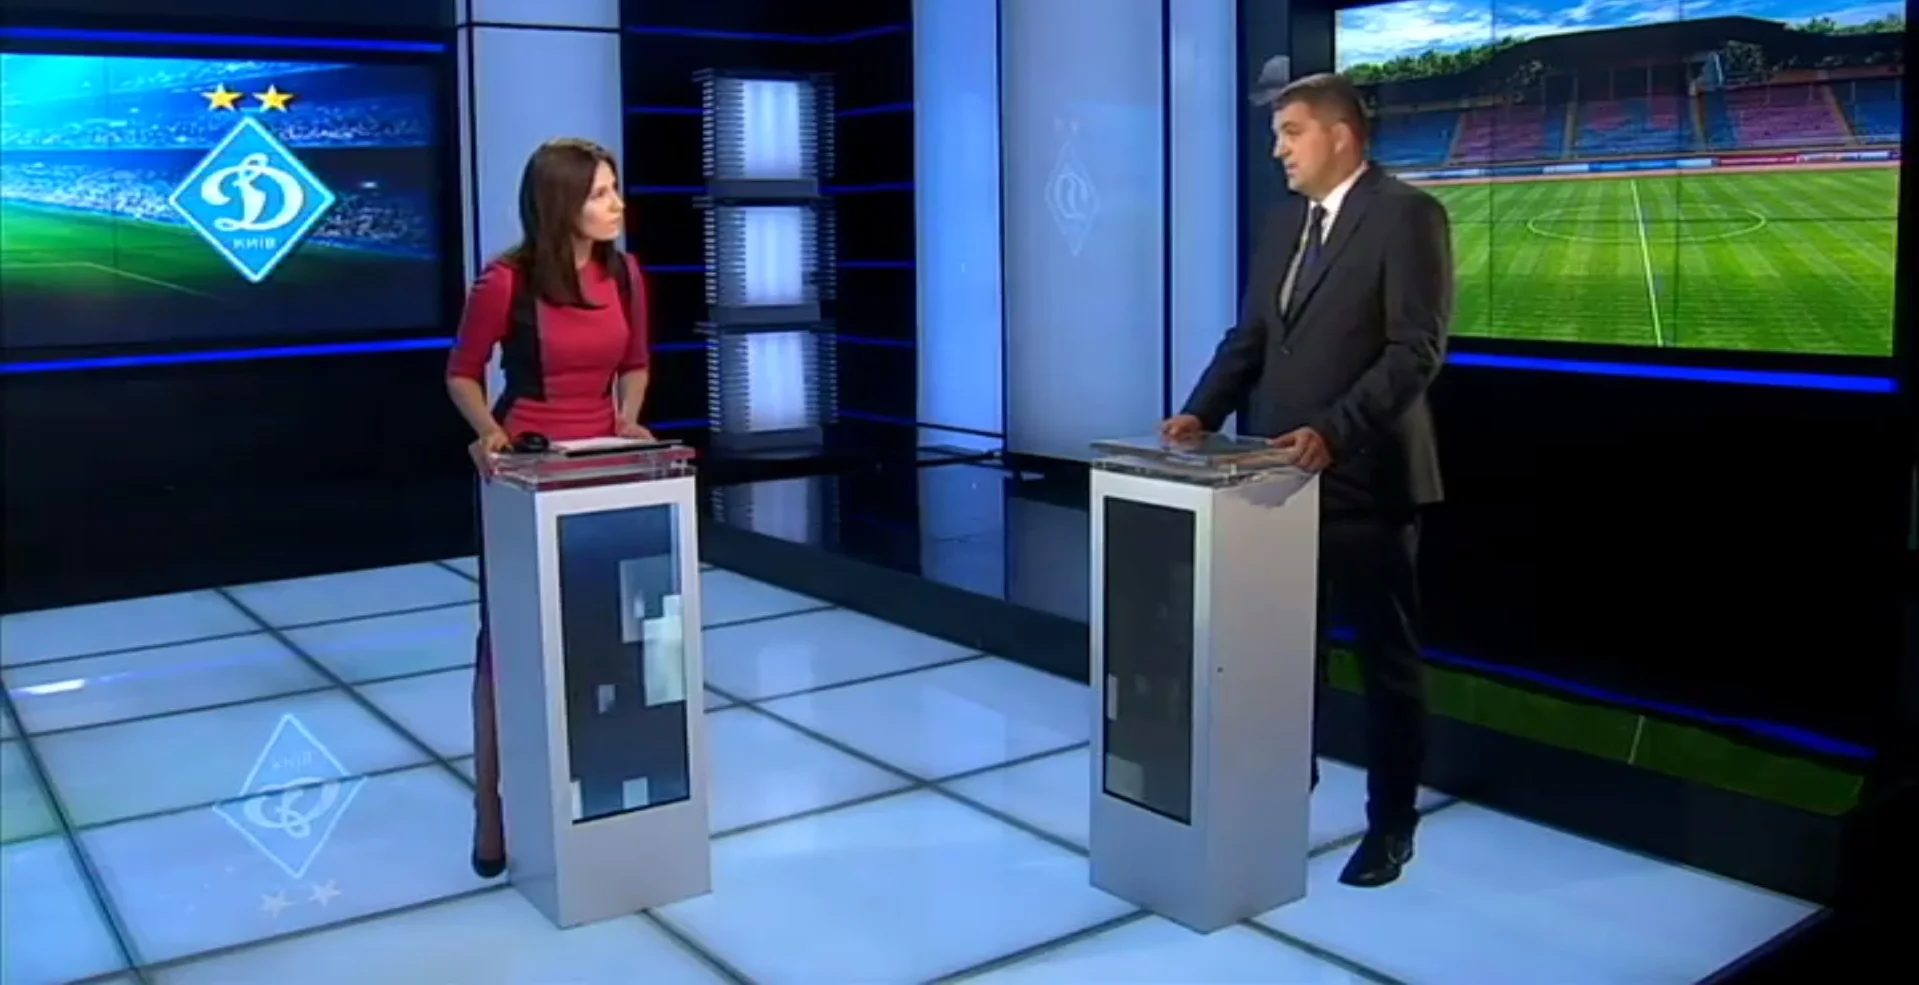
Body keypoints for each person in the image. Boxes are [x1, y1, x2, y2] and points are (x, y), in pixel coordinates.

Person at [1161, 72, 1451, 888]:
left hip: (1366, 481)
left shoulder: (1406, 215)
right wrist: (1199, 413)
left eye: (1289, 132)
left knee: (1385, 663)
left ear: (1340, 134)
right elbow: (1251, 336)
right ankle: (1283, 797)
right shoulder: (1284, 222)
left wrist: (1332, 431)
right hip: (1274, 484)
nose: (1277, 150)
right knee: (1287, 656)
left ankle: (1390, 824)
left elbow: (1415, 348)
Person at [445, 137, 654, 878]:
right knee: (507, 642)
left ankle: (597, 792)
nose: (616, 204)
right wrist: (490, 432)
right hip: (526, 475)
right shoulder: (505, 280)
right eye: (600, 193)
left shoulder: (625, 274)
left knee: (603, 640)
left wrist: (627, 421)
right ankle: (491, 803)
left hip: (604, 468)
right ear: (561, 202)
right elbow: (463, 372)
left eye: (615, 188)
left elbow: (635, 364)